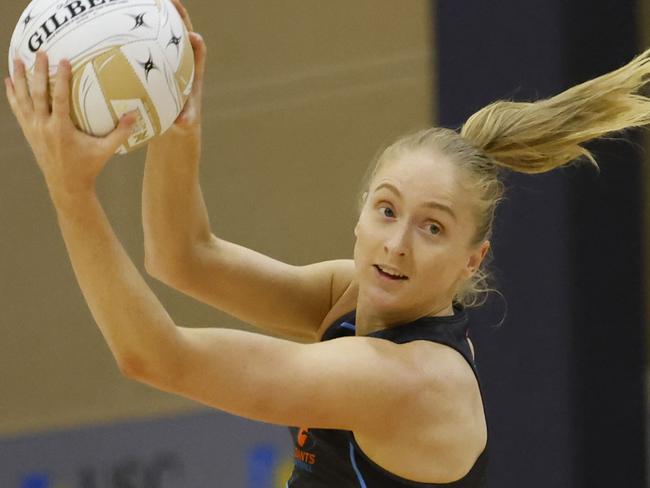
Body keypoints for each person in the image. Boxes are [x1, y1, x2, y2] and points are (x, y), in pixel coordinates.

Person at [6, 0, 650, 484]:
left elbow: (154, 357)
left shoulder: (412, 380)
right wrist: (175, 121)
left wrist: (71, 192)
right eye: (387, 209)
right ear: (360, 215)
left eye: (433, 228)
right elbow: (181, 256)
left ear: (469, 262)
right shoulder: (350, 296)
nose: (397, 244)